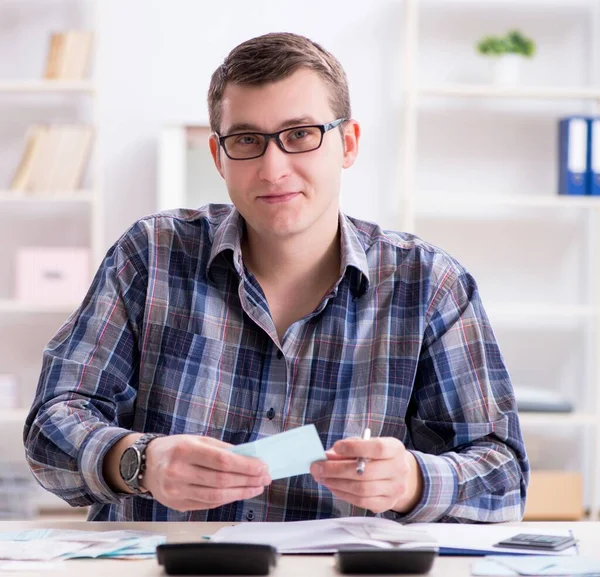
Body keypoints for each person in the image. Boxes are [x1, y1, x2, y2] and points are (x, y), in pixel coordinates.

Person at [23, 32, 529, 523]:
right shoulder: (151, 254)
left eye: (301, 135)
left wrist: (412, 481)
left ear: (347, 143)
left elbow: (503, 475)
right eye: (247, 139)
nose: (273, 167)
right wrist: (139, 461)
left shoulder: (430, 284)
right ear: (219, 156)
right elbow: (51, 425)